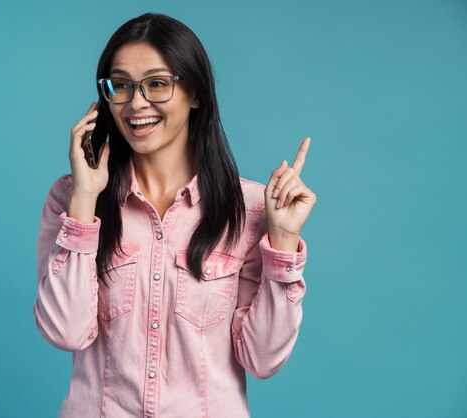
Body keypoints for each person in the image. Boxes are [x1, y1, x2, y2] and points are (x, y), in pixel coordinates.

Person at [34, 12, 316, 418]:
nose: (136, 103)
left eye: (157, 84)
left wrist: (284, 242)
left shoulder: (250, 210)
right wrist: (84, 202)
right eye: (122, 86)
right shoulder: (71, 196)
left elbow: (263, 359)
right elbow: (65, 332)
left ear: (195, 93)